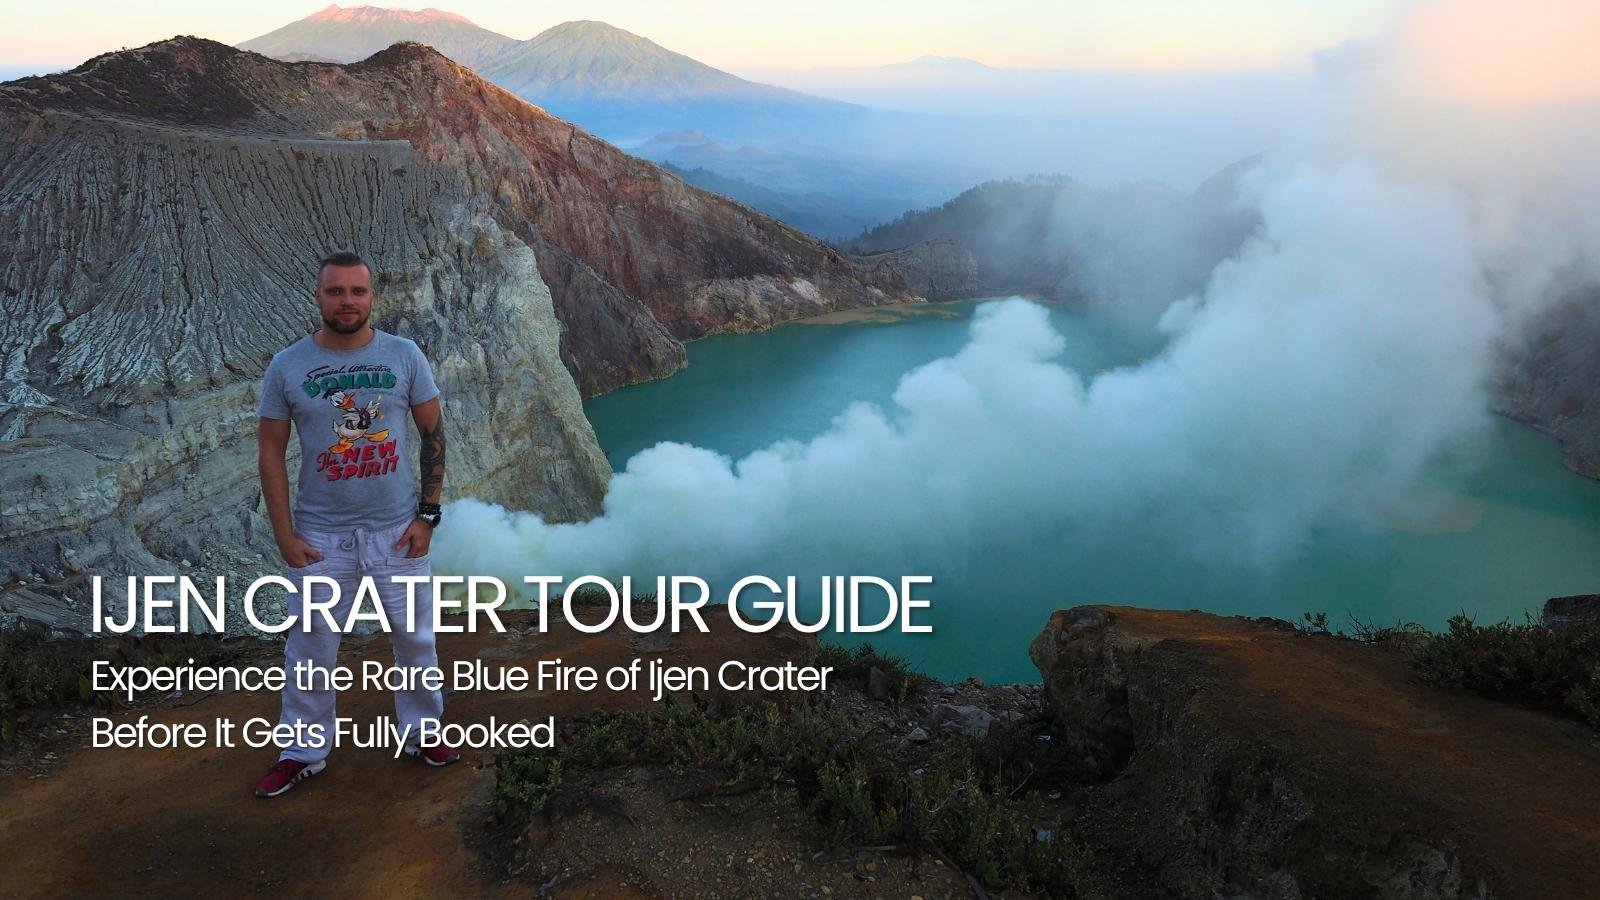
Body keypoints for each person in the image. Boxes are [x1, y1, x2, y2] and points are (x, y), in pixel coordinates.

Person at [252, 251, 458, 799]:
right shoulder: (287, 367)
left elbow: (434, 434)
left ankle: (423, 732)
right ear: (318, 297)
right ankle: (302, 750)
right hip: (321, 538)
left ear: (372, 297)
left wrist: (428, 515)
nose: (347, 301)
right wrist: (284, 533)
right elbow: (270, 452)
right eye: (336, 291)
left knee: (415, 641)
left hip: (397, 531)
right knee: (312, 648)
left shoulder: (404, 356)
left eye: (358, 291)